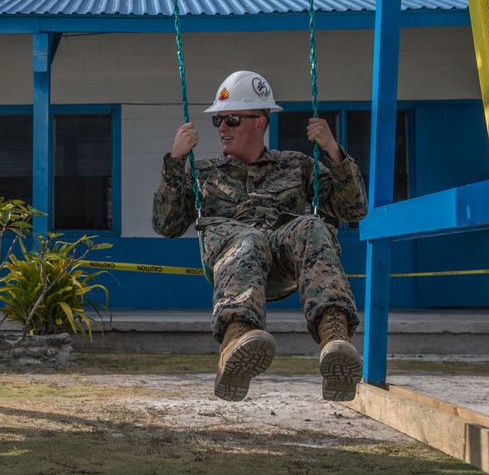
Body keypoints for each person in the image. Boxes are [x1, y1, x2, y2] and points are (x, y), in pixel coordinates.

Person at [152, 70, 368, 402]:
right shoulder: (204, 174)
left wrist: (334, 152)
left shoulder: (295, 165)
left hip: (282, 261)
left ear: (259, 122)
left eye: (232, 119)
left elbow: (353, 209)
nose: (222, 128)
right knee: (249, 239)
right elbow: (166, 225)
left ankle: (335, 340)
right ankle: (236, 343)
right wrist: (176, 162)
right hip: (232, 254)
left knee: (311, 225)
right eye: (218, 121)